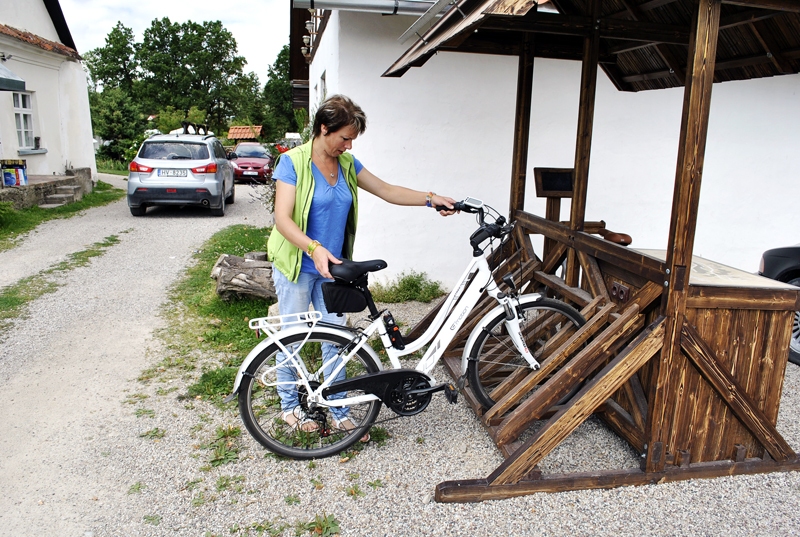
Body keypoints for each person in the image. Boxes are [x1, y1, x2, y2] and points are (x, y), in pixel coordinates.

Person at [268, 94, 456, 436]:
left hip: (333, 269)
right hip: (297, 264)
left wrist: (431, 199)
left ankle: (337, 407)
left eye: (352, 138)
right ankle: (289, 407)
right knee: (291, 339)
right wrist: (314, 248)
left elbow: (387, 190)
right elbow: (282, 218)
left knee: (336, 340)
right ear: (324, 129)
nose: (349, 144)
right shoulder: (293, 163)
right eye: (344, 137)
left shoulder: (348, 165)